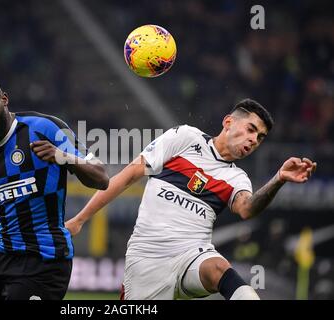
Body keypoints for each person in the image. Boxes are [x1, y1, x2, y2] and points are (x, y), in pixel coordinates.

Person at [65, 99, 317, 300]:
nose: (254, 140)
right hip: (147, 257)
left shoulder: (237, 179)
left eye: (260, 137)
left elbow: (247, 209)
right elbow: (129, 174)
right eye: (251, 129)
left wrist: (279, 179)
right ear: (228, 122)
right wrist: (80, 219)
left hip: (193, 255)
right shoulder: (185, 138)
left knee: (223, 272)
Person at [0, 74, 109, 300]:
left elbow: (101, 178)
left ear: (4, 100)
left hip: (45, 259)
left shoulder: (45, 128)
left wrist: (62, 156)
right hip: (1, 256)